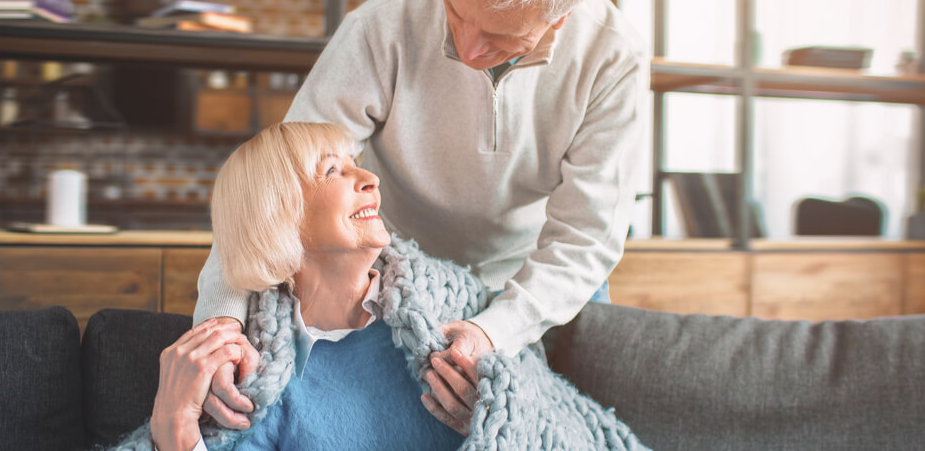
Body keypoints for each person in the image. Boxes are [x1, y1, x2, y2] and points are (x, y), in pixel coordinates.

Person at [193, 0, 649, 431]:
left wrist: (493, 330)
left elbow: (586, 237)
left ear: (559, 18)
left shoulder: (612, 56)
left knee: (564, 426)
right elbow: (272, 191)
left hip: (539, 278)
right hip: (402, 279)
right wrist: (219, 328)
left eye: (498, 36)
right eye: (454, 14)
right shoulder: (381, 26)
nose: (467, 50)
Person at [128, 122, 642, 451]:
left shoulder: (456, 315)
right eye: (334, 171)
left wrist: (493, 422)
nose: (368, 179)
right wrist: (173, 431)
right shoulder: (255, 374)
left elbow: (549, 423)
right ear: (279, 217)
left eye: (358, 164)